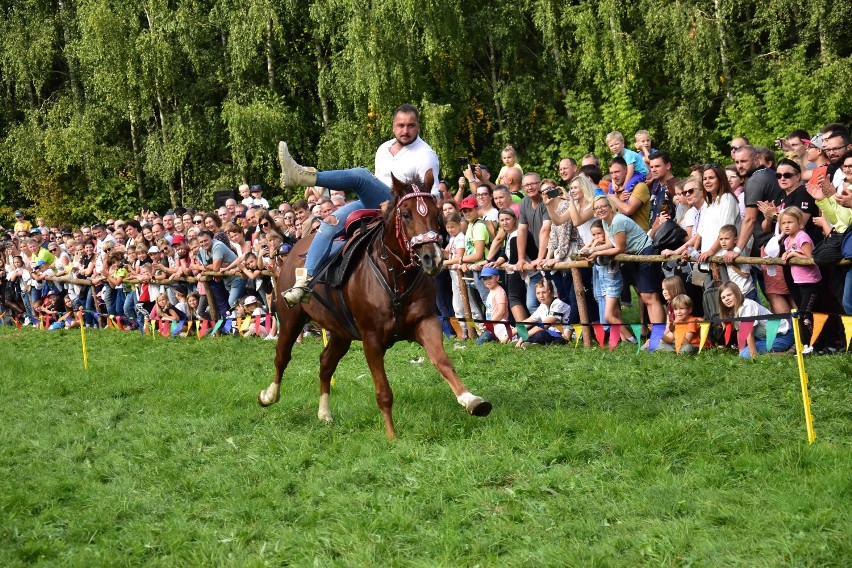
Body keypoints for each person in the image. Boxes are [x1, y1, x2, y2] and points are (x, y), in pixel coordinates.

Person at [278, 103, 439, 305]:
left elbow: (429, 198)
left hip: (401, 209)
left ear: (418, 127)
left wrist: (393, 207)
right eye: (400, 125)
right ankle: (304, 283)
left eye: (410, 125)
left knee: (361, 176)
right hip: (373, 202)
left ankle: (306, 176)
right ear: (393, 126)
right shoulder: (383, 149)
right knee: (329, 222)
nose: (405, 130)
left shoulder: (425, 155)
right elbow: (378, 184)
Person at [779, 207, 821, 350]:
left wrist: (794, 254)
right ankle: (806, 344)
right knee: (802, 315)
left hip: (811, 282)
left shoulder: (802, 237)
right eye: (783, 223)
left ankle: (811, 345)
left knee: (804, 315)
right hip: (799, 282)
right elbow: (790, 253)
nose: (786, 225)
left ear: (799, 222)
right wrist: (786, 254)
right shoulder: (787, 240)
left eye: (790, 222)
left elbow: (812, 258)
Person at [718, 282, 793, 359]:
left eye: (729, 295)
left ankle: (788, 353)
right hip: (764, 337)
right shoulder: (734, 309)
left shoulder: (747, 306)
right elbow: (740, 332)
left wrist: (753, 357)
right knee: (744, 354)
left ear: (737, 293)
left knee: (746, 355)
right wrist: (741, 351)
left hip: (782, 336)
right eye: (723, 297)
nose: (726, 299)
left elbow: (749, 333)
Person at [513, 278, 569, 348]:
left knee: (540, 333)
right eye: (538, 293)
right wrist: (509, 335)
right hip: (549, 333)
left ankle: (529, 341)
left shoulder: (558, 304)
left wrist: (524, 336)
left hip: (562, 335)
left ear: (552, 293)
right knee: (522, 330)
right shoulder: (542, 305)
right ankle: (529, 341)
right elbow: (528, 321)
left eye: (544, 292)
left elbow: (544, 325)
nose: (541, 296)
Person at [476, 266, 510, 344]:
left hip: (499, 325)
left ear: (497, 278)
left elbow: (502, 311)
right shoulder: (492, 291)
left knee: (479, 343)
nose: (487, 281)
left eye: (490, 277)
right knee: (480, 341)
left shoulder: (499, 292)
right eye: (485, 278)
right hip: (493, 326)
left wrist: (489, 324)